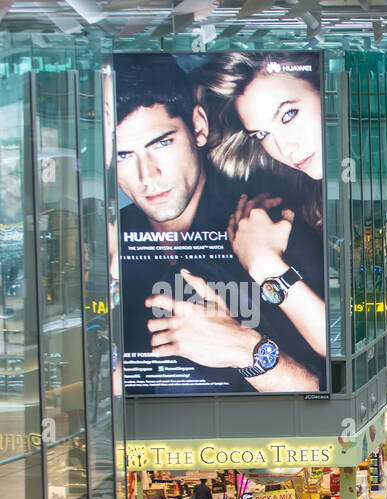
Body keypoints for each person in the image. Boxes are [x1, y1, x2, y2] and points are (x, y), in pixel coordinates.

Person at [116, 56, 323, 394]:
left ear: (198, 126)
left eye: (162, 143)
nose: (147, 176)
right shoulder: (105, 246)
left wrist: (245, 350)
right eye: (124, 155)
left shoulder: (273, 228)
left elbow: (336, 394)